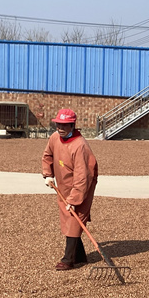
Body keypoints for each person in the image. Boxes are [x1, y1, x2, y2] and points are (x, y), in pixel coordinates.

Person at [42, 109, 98, 271]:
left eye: (65, 125)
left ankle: (68, 260)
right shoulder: (54, 138)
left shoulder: (80, 146)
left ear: (73, 125)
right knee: (67, 218)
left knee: (75, 217)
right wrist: (48, 175)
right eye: (58, 124)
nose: (60, 127)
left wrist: (74, 200)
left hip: (82, 187)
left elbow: (83, 177)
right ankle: (80, 256)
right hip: (63, 184)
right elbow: (47, 156)